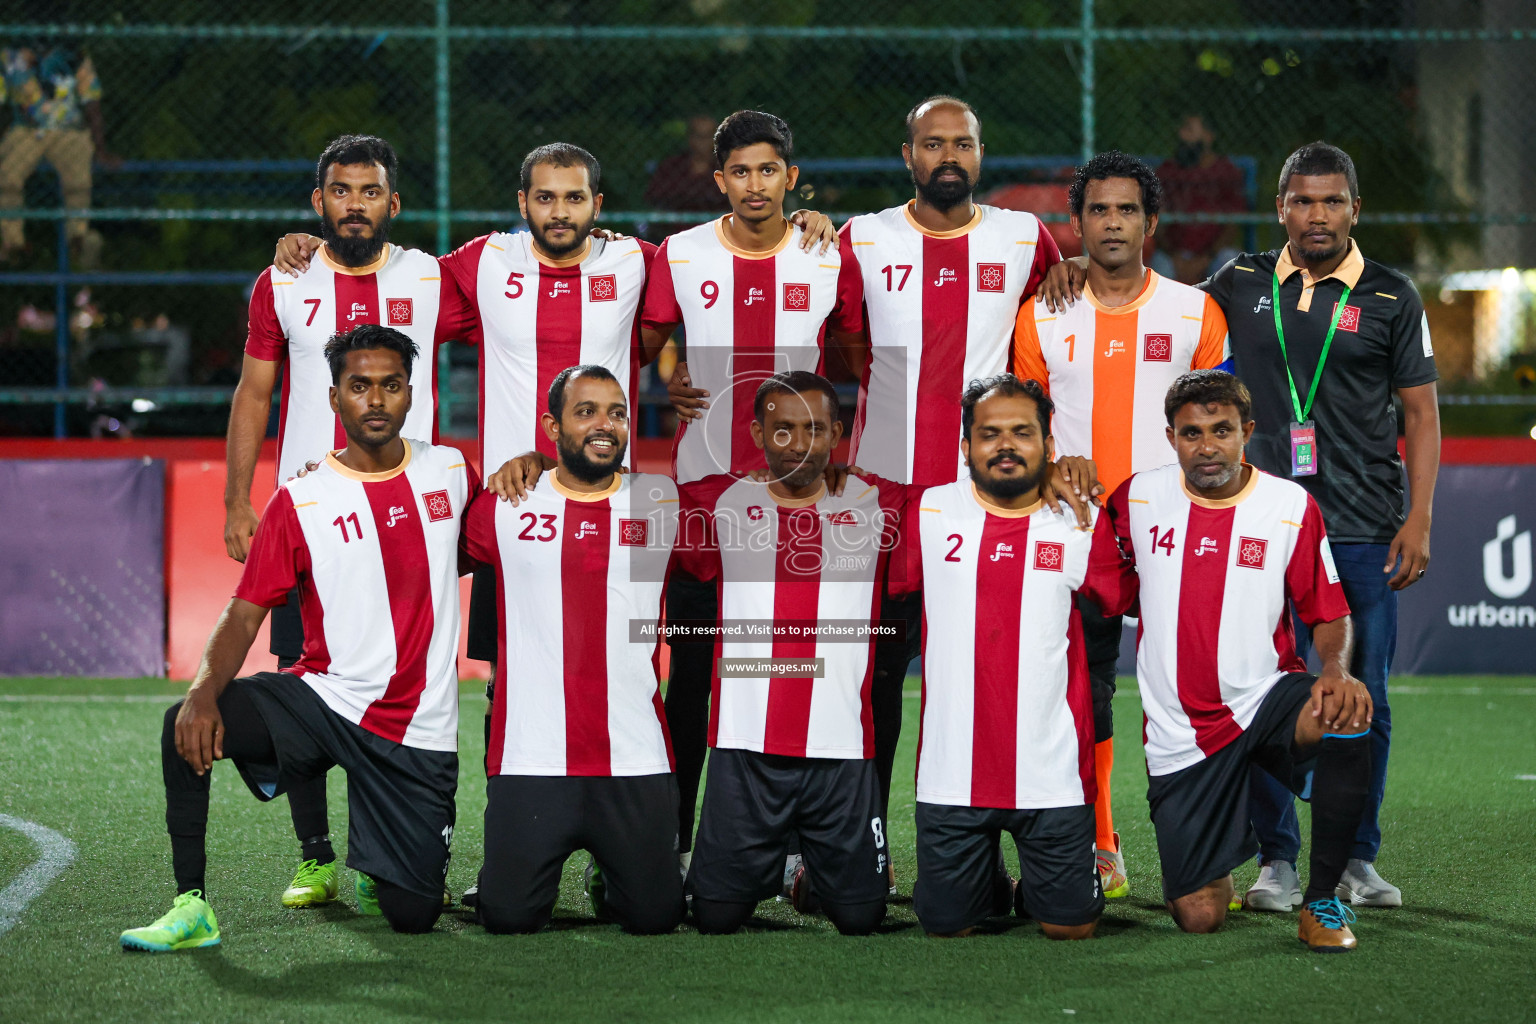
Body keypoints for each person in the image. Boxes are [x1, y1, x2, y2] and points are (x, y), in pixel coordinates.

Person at [1040, 141, 1439, 912]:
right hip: (1254, 524)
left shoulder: (1393, 296)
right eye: (1301, 200)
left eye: (1330, 201)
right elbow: (1154, 303)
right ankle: (1276, 860)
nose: (1315, 214)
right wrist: (1078, 271)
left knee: (1361, 693)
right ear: (1280, 207)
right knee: (1253, 691)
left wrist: (1419, 517)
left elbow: (1420, 415)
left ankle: (1356, 857)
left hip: (1360, 524)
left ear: (1355, 210)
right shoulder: (1238, 283)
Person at [120, 325, 479, 950]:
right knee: (184, 721)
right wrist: (205, 690)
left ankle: (382, 864)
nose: (375, 400)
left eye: (390, 386)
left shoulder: (449, 472)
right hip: (326, 699)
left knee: (412, 914)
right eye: (360, 386)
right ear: (335, 397)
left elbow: (484, 547)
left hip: (417, 727)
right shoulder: (302, 499)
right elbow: (244, 612)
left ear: (411, 394)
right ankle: (191, 904)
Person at [227, 133, 474, 912]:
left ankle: (379, 853)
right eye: (341, 191)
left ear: (393, 205)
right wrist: (239, 500)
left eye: (370, 192)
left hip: (407, 530)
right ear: (318, 201)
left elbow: (533, 281)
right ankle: (316, 855)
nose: (355, 205)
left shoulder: (433, 279)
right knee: (307, 690)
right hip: (312, 527)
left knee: (396, 694)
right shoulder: (283, 281)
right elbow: (253, 393)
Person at [818, 95, 1066, 855]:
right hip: (885, 496)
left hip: (984, 502)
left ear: (981, 154)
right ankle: (860, 842)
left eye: (962, 143)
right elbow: (834, 351)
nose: (948, 155)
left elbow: (1061, 330)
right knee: (874, 682)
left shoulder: (1027, 239)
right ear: (908, 156)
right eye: (933, 144)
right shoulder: (862, 239)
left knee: (985, 678)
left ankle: (995, 840)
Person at [1089, 370, 1374, 951]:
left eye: (1221, 431)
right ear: (1170, 438)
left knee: (1347, 711)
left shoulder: (1289, 505)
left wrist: (1335, 669)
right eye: (1191, 434)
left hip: (1266, 696)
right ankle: (1225, 840)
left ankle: (1321, 901)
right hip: (1179, 731)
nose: (1207, 446)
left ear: (1247, 431)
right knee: (1200, 916)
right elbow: (1104, 590)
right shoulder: (1135, 499)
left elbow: (1328, 610)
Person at [1012, 150, 1229, 900]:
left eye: (1127, 210)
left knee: (1194, 690)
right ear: (1076, 225)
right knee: (1090, 691)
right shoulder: (1041, 311)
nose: (1113, 222)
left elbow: (1217, 432)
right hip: (1079, 534)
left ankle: (1207, 849)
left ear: (1151, 222)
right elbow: (1025, 427)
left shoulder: (1196, 312)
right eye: (1098, 210)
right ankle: (1101, 844)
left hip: (1173, 532)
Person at [641, 110, 845, 870]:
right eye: (740, 172)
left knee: (788, 669)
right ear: (718, 178)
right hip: (702, 494)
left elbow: (855, 347)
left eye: (769, 171)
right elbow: (653, 342)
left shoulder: (829, 252)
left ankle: (796, 846)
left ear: (790, 178)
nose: (754, 185)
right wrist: (673, 378)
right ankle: (679, 841)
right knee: (693, 672)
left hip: (798, 501)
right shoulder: (683, 254)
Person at [462, 365, 685, 935]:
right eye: (585, 412)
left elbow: (758, 499)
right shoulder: (503, 509)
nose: (604, 425)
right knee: (508, 918)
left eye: (616, 413)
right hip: (532, 759)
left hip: (634, 758)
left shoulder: (662, 503)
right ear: (552, 426)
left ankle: (614, 870)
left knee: (655, 918)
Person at [678, 370, 900, 936]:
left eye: (814, 429)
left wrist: (1054, 476)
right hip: (743, 750)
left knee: (861, 919)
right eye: (782, 430)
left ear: (838, 433)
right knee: (714, 917)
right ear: (757, 432)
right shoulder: (717, 500)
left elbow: (979, 499)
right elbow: (610, 495)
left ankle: (810, 871)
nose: (799, 444)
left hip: (842, 752)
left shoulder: (881, 501)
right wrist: (534, 464)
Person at [894, 374, 1103, 940]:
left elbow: (1128, 596)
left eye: (1022, 432)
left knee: (1068, 930)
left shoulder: (1081, 522)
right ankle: (986, 880)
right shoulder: (927, 513)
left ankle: (1031, 884)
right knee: (947, 928)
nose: (1005, 445)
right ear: (966, 448)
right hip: (952, 777)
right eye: (989, 434)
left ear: (1048, 445)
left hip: (1051, 776)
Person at [0, 42, 119, 267]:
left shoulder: (74, 55)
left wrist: (100, 149)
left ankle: (79, 238)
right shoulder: (11, 56)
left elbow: (92, 101)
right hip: (28, 129)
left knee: (78, 176)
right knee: (6, 176)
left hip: (68, 129)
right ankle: (13, 242)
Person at [1152, 114, 1246, 286]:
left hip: (1213, 254)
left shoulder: (1226, 172)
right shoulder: (1167, 171)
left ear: (1208, 136)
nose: (1182, 135)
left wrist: (1205, 258)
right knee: (1158, 269)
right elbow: (1155, 222)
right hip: (1174, 255)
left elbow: (1232, 225)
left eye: (1189, 129)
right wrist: (1174, 257)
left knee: (1232, 262)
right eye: (1181, 130)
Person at [643, 113, 728, 235]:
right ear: (690, 137)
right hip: (674, 233)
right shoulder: (672, 167)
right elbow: (654, 198)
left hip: (718, 233)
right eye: (698, 136)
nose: (703, 142)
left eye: (708, 136)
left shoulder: (726, 168)